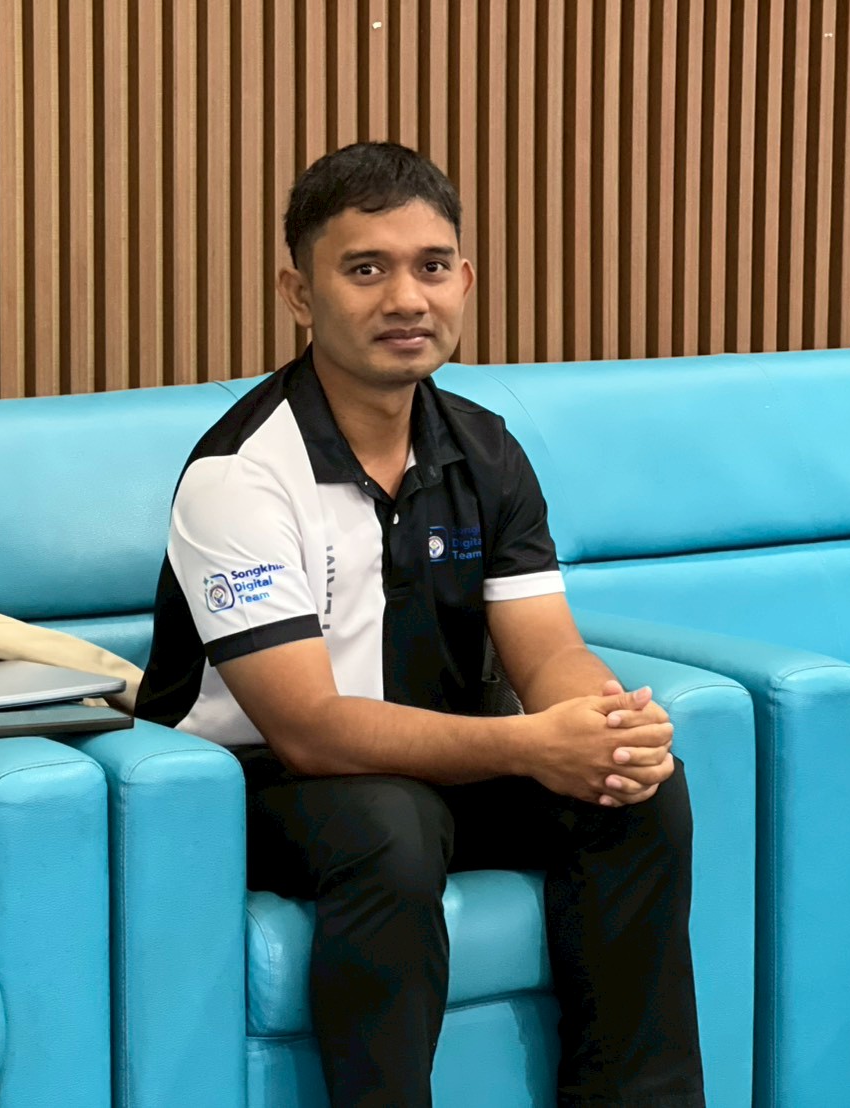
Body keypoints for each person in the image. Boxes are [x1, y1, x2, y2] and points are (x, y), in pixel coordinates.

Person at [136, 141, 704, 1108]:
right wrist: (529, 745)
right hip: (255, 779)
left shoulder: (483, 446)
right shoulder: (241, 474)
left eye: (430, 267)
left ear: (464, 282)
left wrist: (596, 724)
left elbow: (546, 648)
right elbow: (308, 730)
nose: (406, 299)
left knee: (636, 791)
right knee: (390, 825)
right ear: (299, 293)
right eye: (365, 270)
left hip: (437, 758)